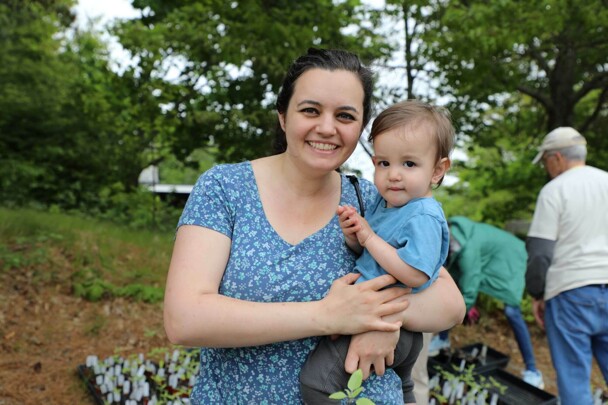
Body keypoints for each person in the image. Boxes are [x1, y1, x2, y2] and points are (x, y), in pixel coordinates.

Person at [163, 47, 465, 405]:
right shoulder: (225, 189)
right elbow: (184, 320)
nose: (327, 127)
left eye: (345, 115)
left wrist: (380, 320)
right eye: (310, 110)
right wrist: (326, 316)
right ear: (283, 116)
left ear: (360, 129)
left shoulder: (376, 200)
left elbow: (449, 304)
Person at [300, 100, 454, 404]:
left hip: (390, 322)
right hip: (380, 319)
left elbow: (415, 273)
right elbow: (372, 256)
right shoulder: (388, 205)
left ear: (437, 170)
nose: (393, 175)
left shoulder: (422, 215)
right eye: (384, 163)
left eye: (408, 164)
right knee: (402, 385)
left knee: (318, 384)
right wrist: (356, 237)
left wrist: (369, 238)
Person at [526, 127, 608, 404]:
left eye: (546, 161)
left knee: (574, 381)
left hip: (571, 293)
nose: (547, 168)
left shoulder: (554, 190)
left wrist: (537, 293)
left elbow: (540, 253)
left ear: (557, 158)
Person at [428, 216, 545, 389]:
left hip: (513, 259)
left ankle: (533, 371)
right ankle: (443, 340)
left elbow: (470, 283)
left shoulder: (468, 249)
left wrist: (464, 309)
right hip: (499, 254)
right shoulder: (453, 236)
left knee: (512, 311)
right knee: (458, 294)